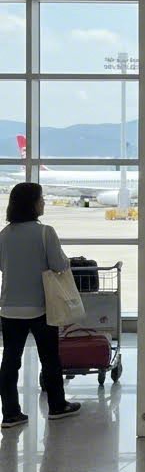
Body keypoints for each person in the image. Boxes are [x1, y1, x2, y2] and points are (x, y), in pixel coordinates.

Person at [0, 183, 80, 428]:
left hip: (9, 307)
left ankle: (10, 413)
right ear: (32, 203)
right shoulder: (45, 232)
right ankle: (57, 406)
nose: (44, 202)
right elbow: (59, 265)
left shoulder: (4, 234)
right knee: (50, 357)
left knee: (10, 360)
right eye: (41, 198)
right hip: (42, 306)